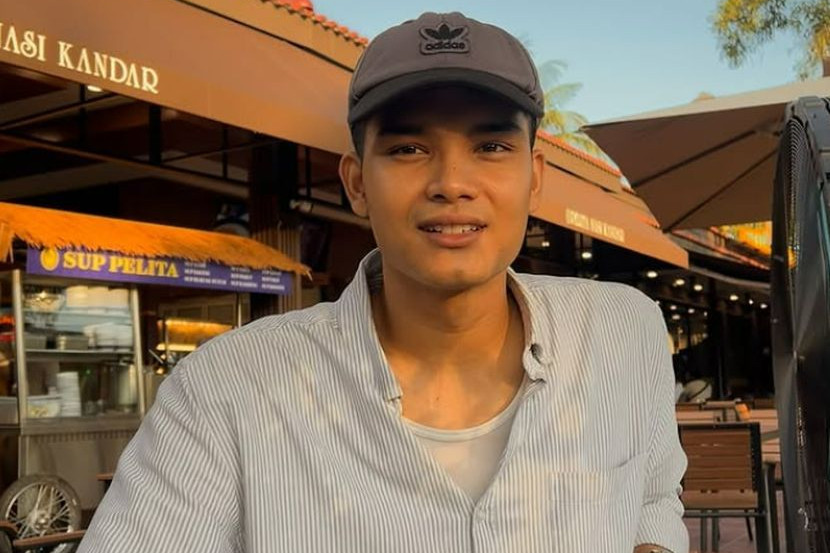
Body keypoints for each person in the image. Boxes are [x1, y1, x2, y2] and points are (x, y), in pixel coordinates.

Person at [79, 12, 687, 553]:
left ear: (535, 176)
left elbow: (654, 495)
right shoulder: (226, 390)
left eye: (491, 145)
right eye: (408, 149)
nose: (452, 183)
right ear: (357, 183)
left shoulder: (622, 331)